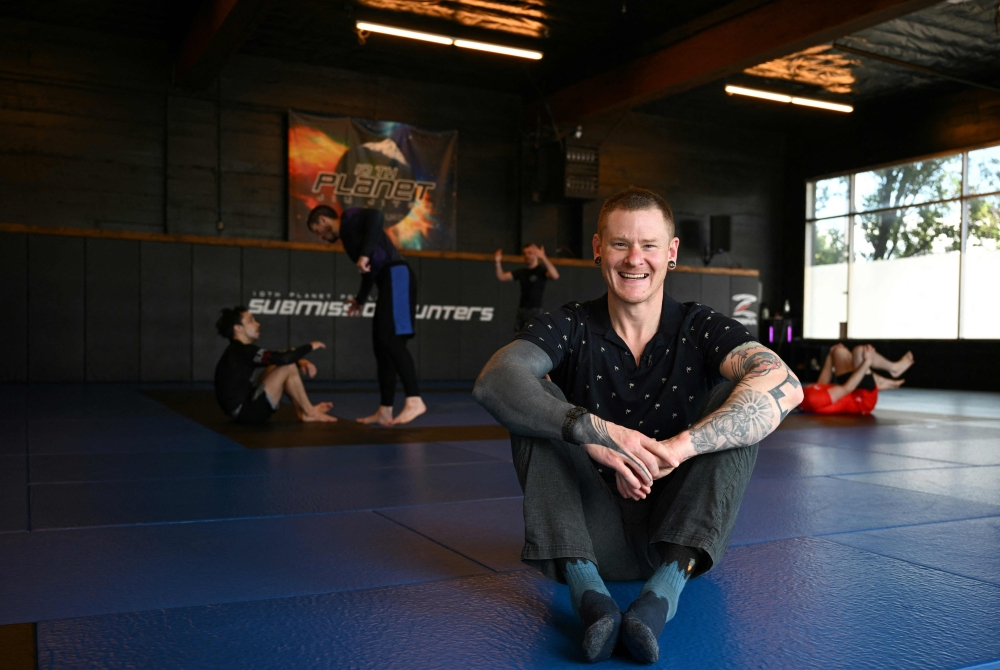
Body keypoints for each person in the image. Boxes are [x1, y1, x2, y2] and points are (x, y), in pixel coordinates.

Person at [473, 187, 803, 664]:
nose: (634, 259)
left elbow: (786, 383)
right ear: (597, 249)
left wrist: (679, 448)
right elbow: (493, 380)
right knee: (532, 398)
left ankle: (660, 597)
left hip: (674, 536)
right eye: (619, 244)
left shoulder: (700, 326)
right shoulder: (569, 324)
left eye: (648, 245)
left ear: (670, 253)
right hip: (587, 534)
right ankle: (590, 596)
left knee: (737, 409)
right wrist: (596, 434)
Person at [307, 205, 426, 426]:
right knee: (381, 345)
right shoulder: (349, 239)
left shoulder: (349, 218)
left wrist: (363, 254)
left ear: (323, 220)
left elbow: (377, 215)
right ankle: (385, 410)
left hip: (397, 275)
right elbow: (368, 272)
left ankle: (414, 399)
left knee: (392, 340)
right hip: (386, 281)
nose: (320, 237)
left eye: (318, 231)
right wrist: (360, 300)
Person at [213, 307, 336, 424]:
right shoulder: (242, 350)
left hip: (242, 408)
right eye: (251, 321)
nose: (257, 324)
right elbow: (283, 359)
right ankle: (309, 411)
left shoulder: (237, 350)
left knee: (278, 365)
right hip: (246, 413)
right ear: (238, 328)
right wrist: (310, 346)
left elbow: (276, 358)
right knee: (287, 365)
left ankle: (302, 412)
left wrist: (299, 361)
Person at [799, 343, 913, 415]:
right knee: (860, 352)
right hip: (862, 399)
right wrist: (867, 361)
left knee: (839, 351)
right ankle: (894, 369)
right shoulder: (812, 400)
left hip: (852, 389)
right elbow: (847, 388)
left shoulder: (804, 395)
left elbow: (821, 385)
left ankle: (882, 382)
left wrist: (831, 355)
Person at [494, 243, 560, 333]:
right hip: (522, 310)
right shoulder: (522, 272)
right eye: (525, 253)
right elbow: (501, 277)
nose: (527, 256)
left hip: (535, 311)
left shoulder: (541, 271)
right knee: (518, 337)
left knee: (534, 335)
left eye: (530, 253)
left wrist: (543, 257)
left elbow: (555, 275)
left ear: (536, 254)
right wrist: (497, 262)